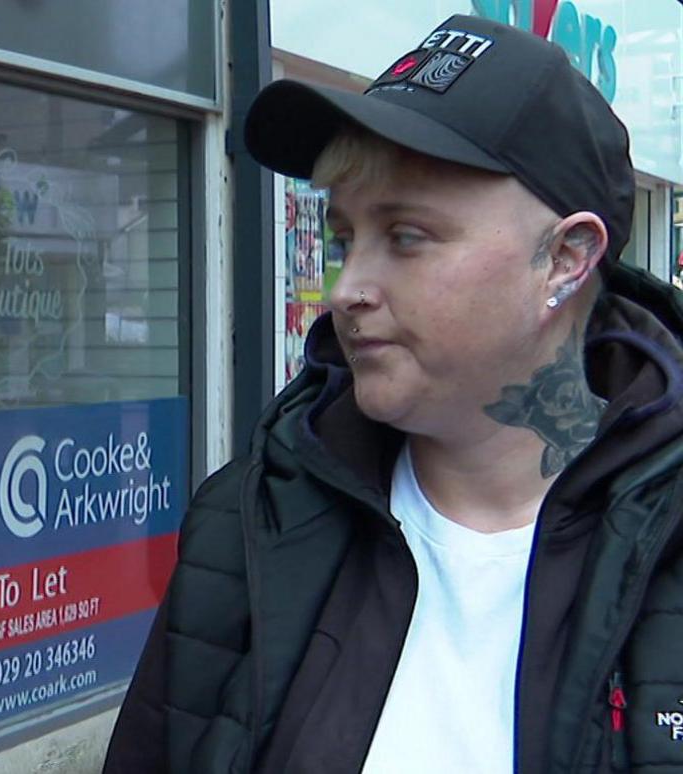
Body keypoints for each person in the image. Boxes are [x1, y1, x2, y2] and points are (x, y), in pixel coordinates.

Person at [106, 14, 683, 774]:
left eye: (407, 235)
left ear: (567, 259)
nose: (346, 290)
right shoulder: (254, 518)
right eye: (345, 239)